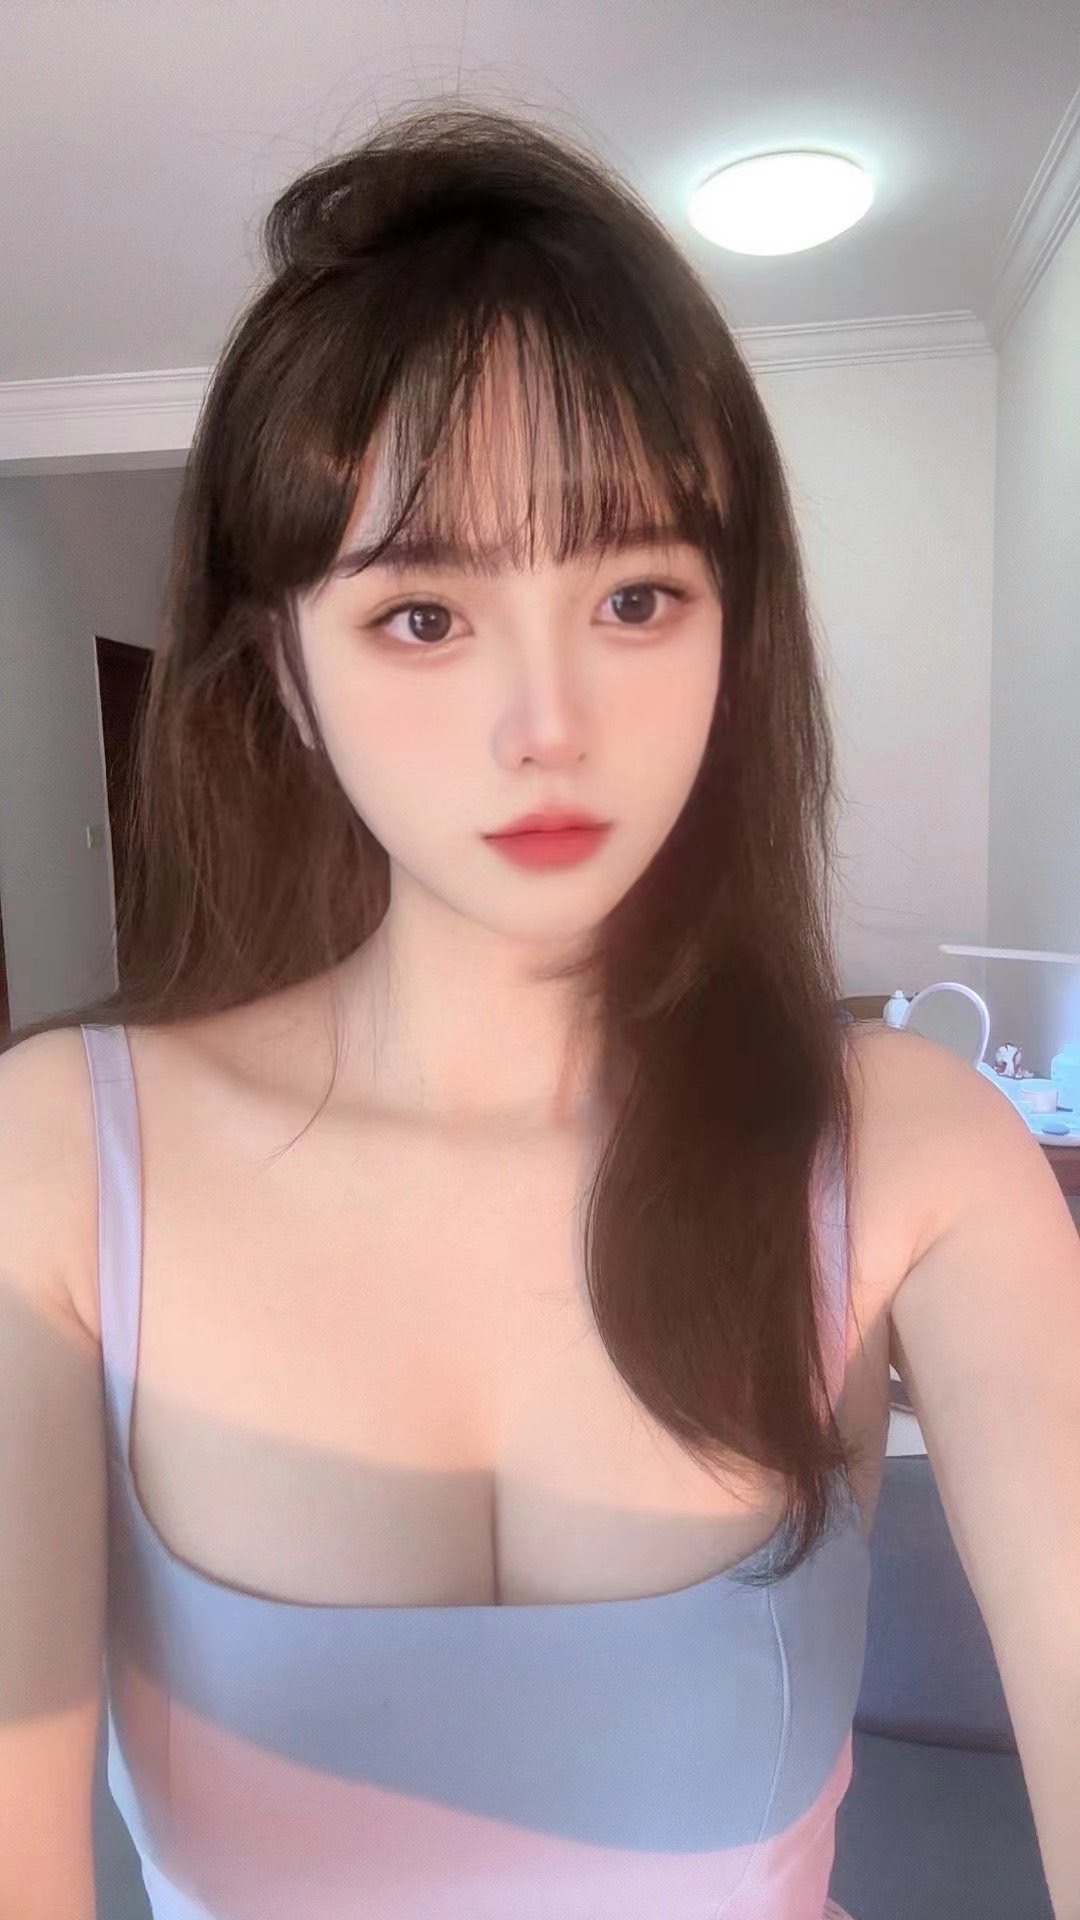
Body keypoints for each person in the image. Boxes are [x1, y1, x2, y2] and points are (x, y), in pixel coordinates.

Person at [4, 97, 1057, 1920]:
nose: (548, 724)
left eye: (637, 595)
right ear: (288, 672)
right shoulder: (57, 1166)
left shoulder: (905, 1148)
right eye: (423, 616)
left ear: (736, 628)